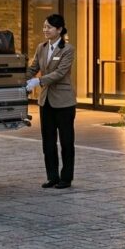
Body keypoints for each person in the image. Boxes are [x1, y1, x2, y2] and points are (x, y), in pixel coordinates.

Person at [25, 13, 77, 189]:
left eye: (49, 27)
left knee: (66, 141)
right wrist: (18, 78)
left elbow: (60, 73)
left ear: (59, 30)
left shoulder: (68, 49)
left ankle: (66, 178)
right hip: (45, 102)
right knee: (48, 141)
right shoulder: (41, 47)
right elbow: (33, 68)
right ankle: (52, 176)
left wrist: (38, 81)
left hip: (64, 103)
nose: (45, 30)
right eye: (44, 26)